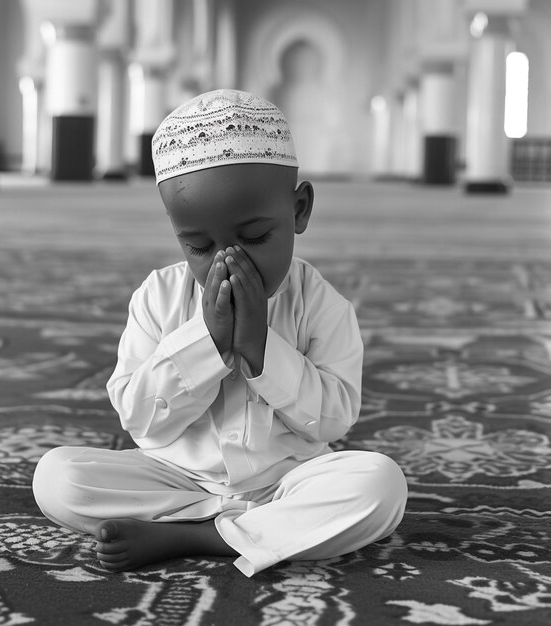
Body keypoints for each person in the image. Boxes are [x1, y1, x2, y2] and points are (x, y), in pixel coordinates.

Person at [32, 89, 407, 577]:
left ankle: (196, 537)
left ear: (299, 210)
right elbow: (141, 420)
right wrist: (204, 342)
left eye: (254, 238)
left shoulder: (322, 303)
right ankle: (261, 532)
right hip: (177, 479)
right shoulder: (157, 296)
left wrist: (260, 351)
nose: (228, 264)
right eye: (200, 245)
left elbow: (334, 421)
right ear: (177, 233)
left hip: (289, 479)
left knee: (380, 485)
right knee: (57, 479)